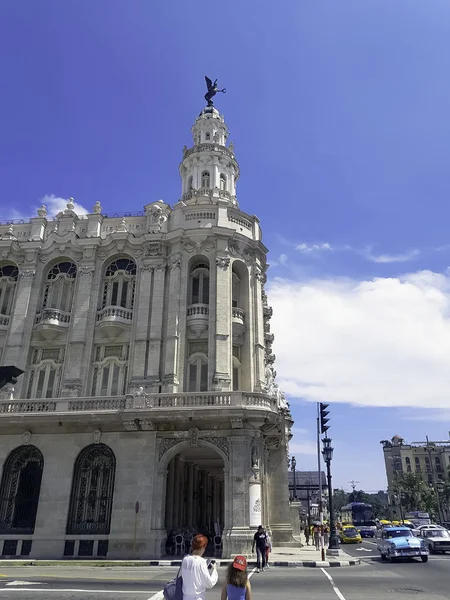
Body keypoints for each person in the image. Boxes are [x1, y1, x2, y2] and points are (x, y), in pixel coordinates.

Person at [181, 534, 218, 600]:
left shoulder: (185, 559)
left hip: (186, 597)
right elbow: (209, 583)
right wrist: (214, 570)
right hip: (197, 597)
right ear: (202, 547)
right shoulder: (201, 562)